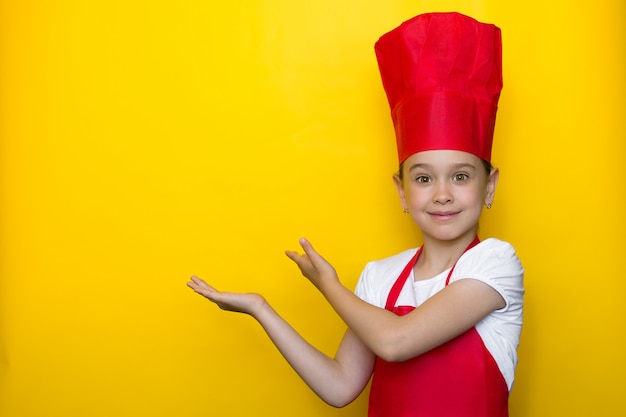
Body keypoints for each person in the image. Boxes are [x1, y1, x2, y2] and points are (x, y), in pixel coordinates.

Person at [188, 11, 524, 417]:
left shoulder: (494, 264)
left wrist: (327, 285)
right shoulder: (379, 278)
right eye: (422, 179)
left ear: (489, 186)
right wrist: (262, 309)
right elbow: (340, 385)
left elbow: (395, 343)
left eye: (460, 176)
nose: (441, 194)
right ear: (401, 191)